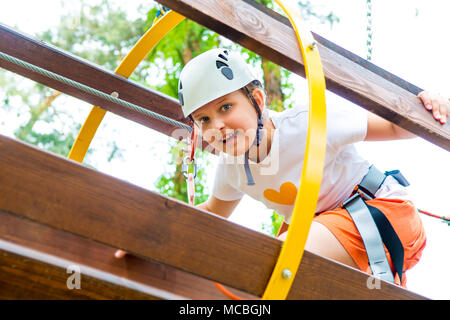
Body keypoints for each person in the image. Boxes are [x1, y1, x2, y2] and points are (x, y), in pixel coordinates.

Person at [177, 48, 449, 287]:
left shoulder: (307, 125)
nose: (217, 126)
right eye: (203, 119)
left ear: (258, 101)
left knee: (273, 261)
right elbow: (213, 210)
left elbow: (393, 126)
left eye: (225, 107)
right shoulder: (232, 168)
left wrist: (428, 106)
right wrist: (160, 225)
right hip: (327, 235)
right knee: (259, 277)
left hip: (380, 214)